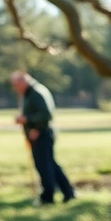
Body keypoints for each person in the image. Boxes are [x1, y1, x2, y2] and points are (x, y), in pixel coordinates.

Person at [11, 71, 76, 205]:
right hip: (40, 134)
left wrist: (30, 123)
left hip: (41, 134)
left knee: (44, 166)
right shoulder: (31, 92)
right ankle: (68, 192)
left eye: (17, 85)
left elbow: (46, 115)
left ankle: (48, 197)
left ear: (24, 81)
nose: (15, 88)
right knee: (51, 164)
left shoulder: (36, 93)